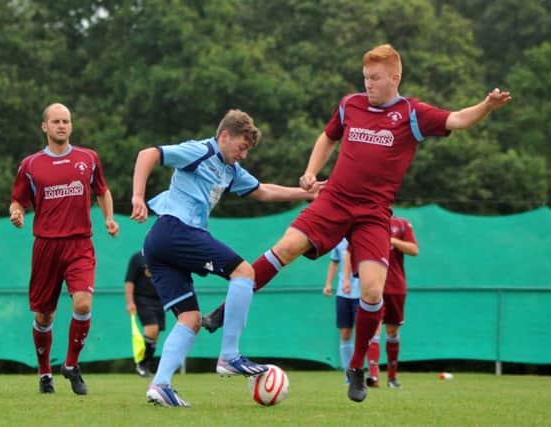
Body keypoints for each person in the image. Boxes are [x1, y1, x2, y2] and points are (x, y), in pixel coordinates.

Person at [201, 44, 511, 403]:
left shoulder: (412, 113)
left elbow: (457, 119)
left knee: (372, 292)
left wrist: (486, 106)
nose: (369, 84)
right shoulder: (351, 104)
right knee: (285, 247)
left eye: (376, 78)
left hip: (373, 214)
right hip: (333, 200)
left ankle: (357, 367)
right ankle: (226, 310)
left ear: (395, 78)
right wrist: (310, 172)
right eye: (365, 77)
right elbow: (328, 136)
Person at [130, 109, 322, 407]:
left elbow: (264, 191)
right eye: (241, 147)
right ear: (224, 136)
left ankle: (160, 384)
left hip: (159, 244)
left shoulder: (230, 170)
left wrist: (306, 194)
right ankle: (230, 356)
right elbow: (148, 154)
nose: (243, 154)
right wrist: (138, 197)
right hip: (175, 230)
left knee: (190, 319)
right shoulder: (201, 150)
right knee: (244, 272)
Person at [9, 103, 119, 395]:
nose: (62, 125)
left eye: (66, 121)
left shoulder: (88, 158)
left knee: (83, 304)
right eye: (56, 121)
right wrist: (16, 212)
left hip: (80, 243)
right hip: (46, 246)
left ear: (71, 126)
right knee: (44, 316)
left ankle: (70, 364)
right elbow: (18, 200)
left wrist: (109, 218)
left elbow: (102, 190)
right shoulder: (31, 165)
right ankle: (45, 372)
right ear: (44, 127)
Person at [366, 215, 418, 389]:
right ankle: (372, 376)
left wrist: (392, 241)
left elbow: (414, 250)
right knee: (373, 329)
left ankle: (392, 378)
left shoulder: (401, 224)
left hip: (395, 285)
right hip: (374, 285)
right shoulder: (367, 222)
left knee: (392, 331)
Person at [322, 238, 360, 380]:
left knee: (363, 334)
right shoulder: (339, 239)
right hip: (342, 294)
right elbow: (334, 261)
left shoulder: (362, 236)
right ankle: (348, 374)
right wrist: (328, 284)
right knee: (345, 333)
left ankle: (362, 370)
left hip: (363, 293)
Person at [125, 250, 165, 377]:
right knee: (152, 328)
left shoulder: (163, 256)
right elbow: (129, 281)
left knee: (156, 333)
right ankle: (141, 364)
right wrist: (130, 302)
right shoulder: (137, 257)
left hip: (160, 300)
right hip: (142, 299)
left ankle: (145, 365)